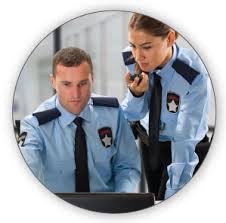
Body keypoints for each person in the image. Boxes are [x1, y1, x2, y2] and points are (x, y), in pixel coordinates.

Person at [18, 47, 141, 193]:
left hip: (106, 208)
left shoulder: (112, 113)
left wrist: (119, 199)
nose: (75, 94)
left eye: (82, 83)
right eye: (66, 84)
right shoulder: (35, 125)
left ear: (92, 79)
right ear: (53, 81)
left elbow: (127, 166)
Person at [121, 13, 211, 200]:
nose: (138, 56)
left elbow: (185, 137)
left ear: (170, 38)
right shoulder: (131, 57)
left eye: (146, 47)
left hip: (184, 148)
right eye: (133, 45)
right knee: (151, 200)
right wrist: (136, 94)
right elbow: (132, 113)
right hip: (149, 144)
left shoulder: (192, 74)